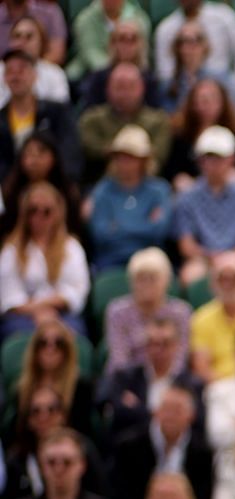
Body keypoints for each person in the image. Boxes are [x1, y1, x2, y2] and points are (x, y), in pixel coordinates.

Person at [171, 126, 235, 285]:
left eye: (219, 157)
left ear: (232, 158)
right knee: (190, 275)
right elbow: (186, 245)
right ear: (200, 161)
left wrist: (231, 259)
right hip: (202, 261)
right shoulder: (187, 197)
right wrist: (210, 258)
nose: (214, 164)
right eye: (208, 157)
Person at [110, 380, 213, 499]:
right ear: (156, 411)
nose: (170, 415)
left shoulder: (203, 453)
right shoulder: (128, 446)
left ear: (191, 416)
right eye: (166, 408)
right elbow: (119, 494)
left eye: (177, 410)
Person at [0, 180, 86, 338]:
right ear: (24, 213)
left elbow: (76, 291)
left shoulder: (71, 247)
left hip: (62, 314)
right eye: (33, 210)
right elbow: (8, 296)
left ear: (58, 213)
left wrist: (47, 311)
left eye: (46, 211)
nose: (39, 216)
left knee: (75, 335)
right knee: (17, 337)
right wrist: (37, 311)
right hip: (21, 315)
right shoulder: (11, 249)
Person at [101, 311, 202, 444]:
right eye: (152, 343)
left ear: (176, 346)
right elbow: (116, 415)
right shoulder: (125, 378)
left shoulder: (191, 384)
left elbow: (197, 425)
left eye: (165, 343)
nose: (158, 350)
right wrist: (166, 416)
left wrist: (139, 409)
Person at [83, 126, 170, 270]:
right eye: (119, 157)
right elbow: (100, 234)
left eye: (131, 157)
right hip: (111, 260)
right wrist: (144, 224)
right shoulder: (102, 191)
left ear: (144, 160)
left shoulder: (159, 190)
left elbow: (159, 231)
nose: (124, 162)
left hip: (150, 260)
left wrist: (117, 226)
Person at [77, 61, 170, 184]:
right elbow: (88, 147)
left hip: (148, 184)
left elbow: (159, 155)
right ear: (108, 89)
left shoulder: (158, 120)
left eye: (131, 86)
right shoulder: (91, 119)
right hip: (99, 183)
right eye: (119, 86)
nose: (125, 93)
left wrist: (114, 150)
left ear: (142, 88)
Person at [0, 46, 80, 180]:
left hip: (54, 181)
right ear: (4, 78)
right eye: (10, 71)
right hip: (12, 188)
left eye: (21, 70)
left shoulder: (57, 112)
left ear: (35, 75)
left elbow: (70, 150)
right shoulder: (1, 118)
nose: (16, 76)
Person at [152, 0, 235, 86]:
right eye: (184, 42)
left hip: (221, 85)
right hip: (181, 91)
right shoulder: (165, 28)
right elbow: (165, 74)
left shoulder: (224, 15)